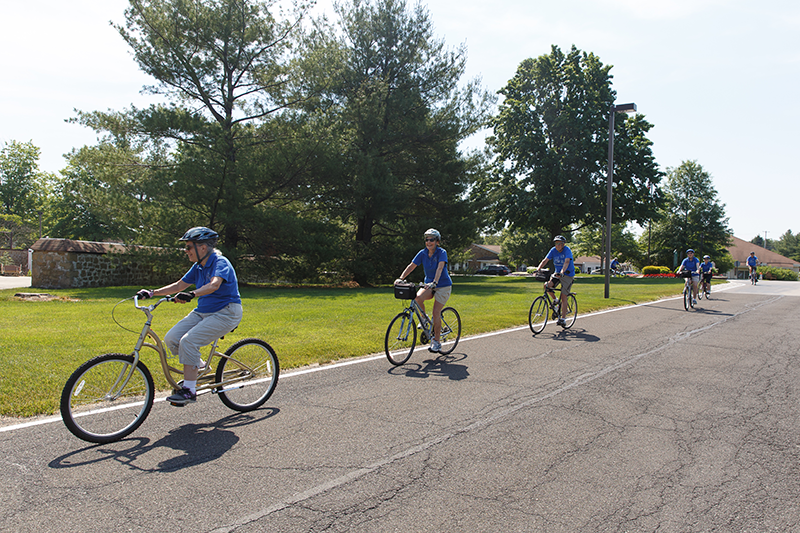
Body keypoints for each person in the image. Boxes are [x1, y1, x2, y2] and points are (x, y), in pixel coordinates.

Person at [136, 227, 242, 405]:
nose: (185, 252)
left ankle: (189, 391)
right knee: (171, 338)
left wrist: (192, 295)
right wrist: (152, 293)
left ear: (202, 247)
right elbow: (179, 286)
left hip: (226, 312)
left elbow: (214, 285)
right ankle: (199, 365)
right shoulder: (198, 266)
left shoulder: (220, 262)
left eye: (188, 247)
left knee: (188, 341)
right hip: (203, 312)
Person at [395, 228, 453, 353]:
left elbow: (439, 268)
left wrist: (435, 282)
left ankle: (436, 342)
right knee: (417, 298)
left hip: (442, 285)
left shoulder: (442, 252)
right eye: (427, 239)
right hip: (428, 285)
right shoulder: (422, 253)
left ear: (437, 241)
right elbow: (411, 266)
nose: (428, 242)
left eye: (431, 239)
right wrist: (401, 278)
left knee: (436, 312)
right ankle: (425, 319)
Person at [535, 235, 575, 327]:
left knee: (564, 296)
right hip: (557, 274)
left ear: (563, 244)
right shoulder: (553, 250)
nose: (557, 245)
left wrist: (562, 272)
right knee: (547, 286)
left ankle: (563, 319)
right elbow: (545, 260)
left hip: (567, 275)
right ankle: (555, 300)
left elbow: (566, 262)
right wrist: (538, 269)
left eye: (559, 243)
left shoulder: (567, 250)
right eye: (556, 243)